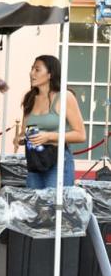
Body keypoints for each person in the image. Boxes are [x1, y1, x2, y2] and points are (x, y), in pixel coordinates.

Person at [14, 55, 85, 189]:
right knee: (35, 206)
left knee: (54, 206)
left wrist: (49, 136)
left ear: (50, 74)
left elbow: (80, 135)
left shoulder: (65, 96)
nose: (31, 73)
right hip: (34, 161)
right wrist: (20, 138)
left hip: (58, 160)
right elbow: (25, 131)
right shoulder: (29, 98)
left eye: (37, 69)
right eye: (32, 69)